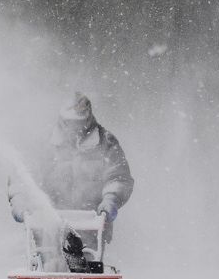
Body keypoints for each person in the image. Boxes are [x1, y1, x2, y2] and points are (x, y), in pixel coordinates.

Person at [8, 93, 134, 243]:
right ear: (62, 120)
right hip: (47, 226)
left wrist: (110, 200)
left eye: (79, 123)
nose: (75, 128)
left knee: (88, 263)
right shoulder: (43, 142)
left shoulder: (106, 142)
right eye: (70, 122)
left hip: (92, 226)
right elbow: (23, 176)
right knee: (49, 263)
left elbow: (118, 176)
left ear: (88, 119)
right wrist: (21, 201)